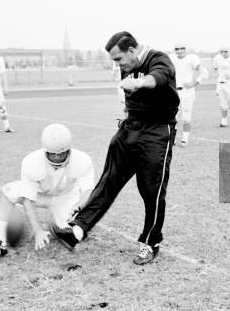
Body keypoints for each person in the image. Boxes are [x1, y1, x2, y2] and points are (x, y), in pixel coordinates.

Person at [52, 31, 179, 265]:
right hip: (130, 128)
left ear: (131, 50)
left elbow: (157, 78)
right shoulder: (126, 65)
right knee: (108, 180)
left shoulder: (159, 59)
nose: (118, 65)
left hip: (157, 132)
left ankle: (151, 242)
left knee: (152, 191)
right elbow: (133, 95)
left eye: (119, 59)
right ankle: (77, 230)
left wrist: (139, 82)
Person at [0, 124, 96, 263]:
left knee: (72, 233)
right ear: (45, 150)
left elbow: (88, 190)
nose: (57, 157)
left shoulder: (82, 160)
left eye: (61, 153)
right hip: (39, 196)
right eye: (52, 153)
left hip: (65, 198)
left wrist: (79, 204)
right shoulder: (31, 162)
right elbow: (28, 200)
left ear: (69, 150)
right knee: (9, 192)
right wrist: (37, 231)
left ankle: (63, 226)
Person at [169, 43, 208, 147]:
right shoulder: (171, 58)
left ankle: (184, 140)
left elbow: (204, 73)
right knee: (172, 117)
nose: (180, 50)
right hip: (174, 91)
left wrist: (195, 82)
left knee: (186, 117)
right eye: (177, 48)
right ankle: (172, 139)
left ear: (186, 49)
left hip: (187, 92)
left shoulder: (192, 58)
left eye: (182, 48)